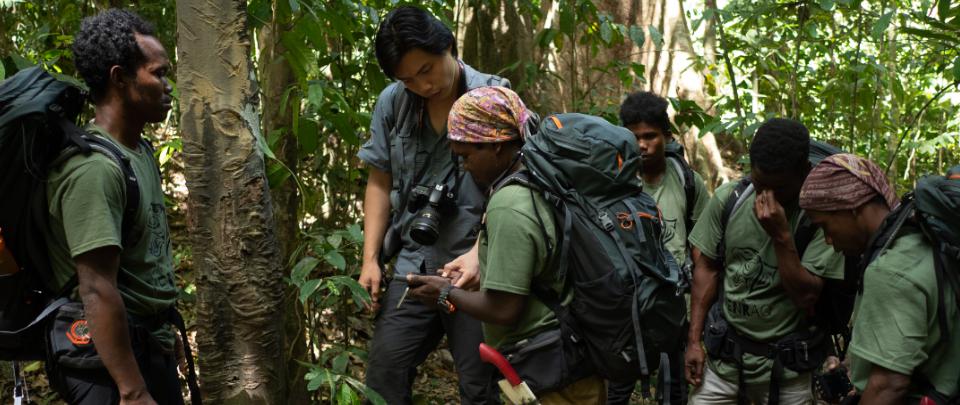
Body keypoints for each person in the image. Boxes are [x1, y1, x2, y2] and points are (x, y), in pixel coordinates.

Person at [406, 86, 606, 404]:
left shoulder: (510, 202)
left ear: (498, 145)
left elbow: (505, 309)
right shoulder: (539, 180)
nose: (464, 167)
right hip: (571, 360)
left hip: (554, 373)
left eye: (467, 156)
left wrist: (443, 293)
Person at [357, 6, 502, 404]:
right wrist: (370, 259)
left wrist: (479, 253)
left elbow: (514, 188)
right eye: (408, 79)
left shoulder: (493, 96)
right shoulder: (393, 103)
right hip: (414, 264)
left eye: (428, 70)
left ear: (449, 47)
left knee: (480, 385)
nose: (423, 85)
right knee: (384, 375)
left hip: (477, 272)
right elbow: (379, 180)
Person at [43, 9, 183, 404]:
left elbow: (143, 263)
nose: (168, 86)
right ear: (119, 78)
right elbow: (97, 288)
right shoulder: (94, 170)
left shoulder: (139, 152)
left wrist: (160, 337)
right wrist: (133, 390)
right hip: (106, 365)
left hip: (145, 346)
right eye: (158, 74)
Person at [684, 118, 845, 404]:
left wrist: (781, 236)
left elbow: (806, 295)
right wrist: (694, 341)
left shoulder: (820, 218)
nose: (765, 196)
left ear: (804, 174)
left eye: (779, 188)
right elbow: (706, 269)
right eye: (759, 184)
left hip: (789, 370)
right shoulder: (729, 199)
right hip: (726, 362)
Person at [799, 154, 960, 404]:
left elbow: (888, 385)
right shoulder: (924, 244)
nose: (828, 241)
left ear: (851, 208)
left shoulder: (889, 271)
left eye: (825, 226)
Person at [608, 91, 709, 405]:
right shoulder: (611, 182)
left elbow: (702, 250)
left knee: (674, 388)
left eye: (650, 136)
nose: (642, 144)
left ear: (666, 136)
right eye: (634, 136)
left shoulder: (688, 183)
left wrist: (697, 320)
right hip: (626, 306)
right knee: (617, 388)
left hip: (674, 305)